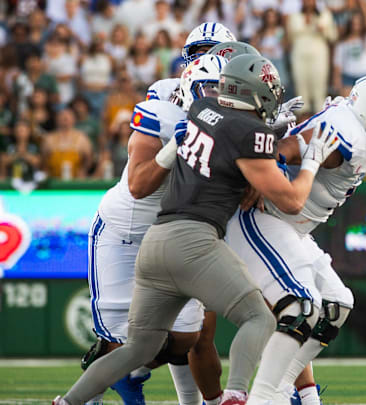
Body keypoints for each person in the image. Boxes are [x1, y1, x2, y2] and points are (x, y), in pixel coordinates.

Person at [53, 54, 339, 405]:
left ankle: (66, 402)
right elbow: (292, 200)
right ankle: (235, 396)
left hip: (155, 243)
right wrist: (310, 160)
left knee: (137, 349)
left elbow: (225, 132)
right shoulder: (248, 132)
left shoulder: (200, 109)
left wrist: (274, 130)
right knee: (259, 318)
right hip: (195, 243)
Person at [225, 73, 366, 405]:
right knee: (301, 308)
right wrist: (261, 177)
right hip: (265, 217)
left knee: (336, 305)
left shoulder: (355, 127)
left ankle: (286, 389)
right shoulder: (347, 136)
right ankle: (264, 398)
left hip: (291, 226)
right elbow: (280, 150)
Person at [72, 55, 227, 405]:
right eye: (211, 89)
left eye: (224, 91)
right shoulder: (162, 110)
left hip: (168, 236)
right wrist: (176, 145)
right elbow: (139, 185)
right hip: (123, 233)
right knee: (119, 342)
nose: (217, 98)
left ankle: (131, 372)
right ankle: (82, 397)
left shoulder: (232, 121)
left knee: (184, 340)